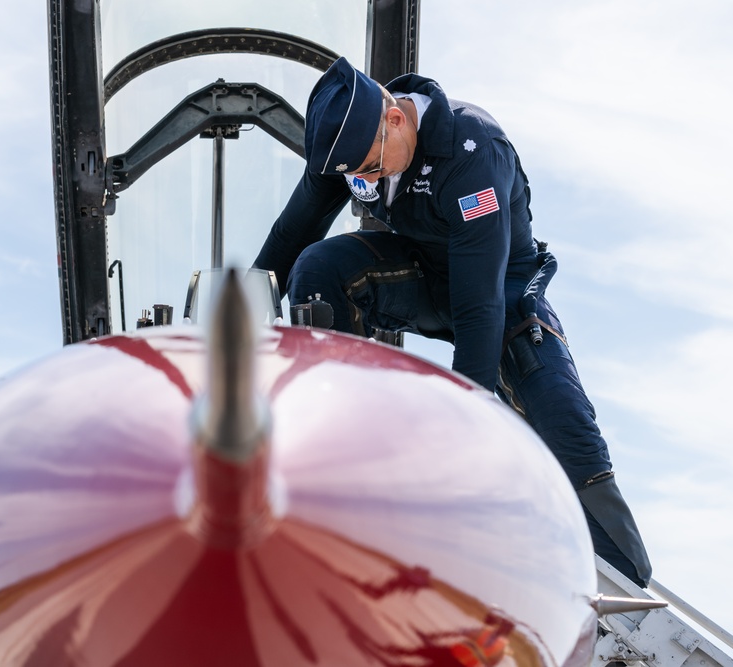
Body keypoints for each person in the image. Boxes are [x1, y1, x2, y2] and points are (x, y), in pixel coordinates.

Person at [252, 57, 652, 587]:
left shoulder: (472, 149)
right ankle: (341, 449)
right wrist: (235, 317)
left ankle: (620, 580)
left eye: (371, 168)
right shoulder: (352, 147)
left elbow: (478, 304)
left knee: (564, 425)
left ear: (395, 120)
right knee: (318, 269)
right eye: (355, 175)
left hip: (500, 292)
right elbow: (291, 234)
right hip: (417, 273)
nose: (363, 181)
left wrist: (468, 428)